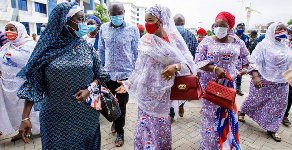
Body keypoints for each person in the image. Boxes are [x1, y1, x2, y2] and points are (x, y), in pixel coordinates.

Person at [17, 2, 110, 149]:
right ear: (64, 22)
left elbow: (102, 75)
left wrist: (89, 89)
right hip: (56, 118)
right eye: (80, 19)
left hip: (86, 116)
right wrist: (25, 117)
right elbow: (33, 84)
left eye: (85, 19)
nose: (84, 23)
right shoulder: (46, 50)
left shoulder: (86, 47)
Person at [115, 4, 196, 149]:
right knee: (144, 128)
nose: (147, 24)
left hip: (162, 95)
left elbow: (189, 65)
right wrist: (128, 84)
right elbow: (139, 68)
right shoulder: (145, 39)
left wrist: (175, 67)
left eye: (151, 20)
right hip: (144, 93)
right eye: (146, 20)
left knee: (159, 128)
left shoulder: (174, 41)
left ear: (161, 21)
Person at [195, 11, 249, 149]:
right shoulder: (207, 41)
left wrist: (244, 69)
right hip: (211, 86)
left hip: (228, 85)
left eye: (223, 25)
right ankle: (209, 145)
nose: (219, 28)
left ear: (230, 26)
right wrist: (214, 68)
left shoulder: (238, 41)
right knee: (210, 116)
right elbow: (198, 62)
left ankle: (225, 144)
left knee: (226, 114)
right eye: (216, 25)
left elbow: (247, 58)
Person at [239, 22, 292, 142]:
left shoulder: (286, 46)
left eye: (284, 29)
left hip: (281, 82)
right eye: (279, 29)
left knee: (280, 105)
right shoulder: (263, 46)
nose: (283, 31)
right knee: (254, 100)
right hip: (264, 80)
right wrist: (255, 76)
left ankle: (273, 128)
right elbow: (253, 61)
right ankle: (242, 111)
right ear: (272, 30)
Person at [98, 1, 139, 147]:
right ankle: (115, 121)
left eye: (119, 13)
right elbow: (101, 51)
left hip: (125, 74)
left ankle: (120, 132)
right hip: (108, 74)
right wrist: (100, 71)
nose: (116, 16)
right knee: (108, 101)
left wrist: (135, 74)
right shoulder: (103, 28)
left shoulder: (132, 29)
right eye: (113, 14)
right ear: (109, 15)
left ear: (124, 13)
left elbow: (136, 52)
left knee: (122, 104)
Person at [0, 21, 40, 141]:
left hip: (25, 84)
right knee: (15, 110)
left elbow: (34, 64)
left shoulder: (30, 46)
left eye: (12, 29)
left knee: (30, 108)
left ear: (20, 31)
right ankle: (20, 129)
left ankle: (36, 129)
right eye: (7, 29)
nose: (9, 32)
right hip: (8, 85)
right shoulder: (6, 46)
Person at [172, 13, 198, 119]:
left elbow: (195, 52)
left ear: (184, 23)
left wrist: (193, 68)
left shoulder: (191, 36)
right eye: (176, 24)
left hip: (185, 69)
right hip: (172, 68)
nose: (179, 26)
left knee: (182, 89)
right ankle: (172, 112)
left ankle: (181, 105)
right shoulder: (168, 34)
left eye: (181, 24)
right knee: (171, 90)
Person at [235, 23, 249, 96]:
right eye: (239, 27)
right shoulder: (233, 36)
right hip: (233, 58)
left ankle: (238, 88)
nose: (241, 29)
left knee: (240, 74)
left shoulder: (246, 37)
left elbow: (247, 49)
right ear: (236, 28)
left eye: (242, 28)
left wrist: (246, 63)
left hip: (240, 59)